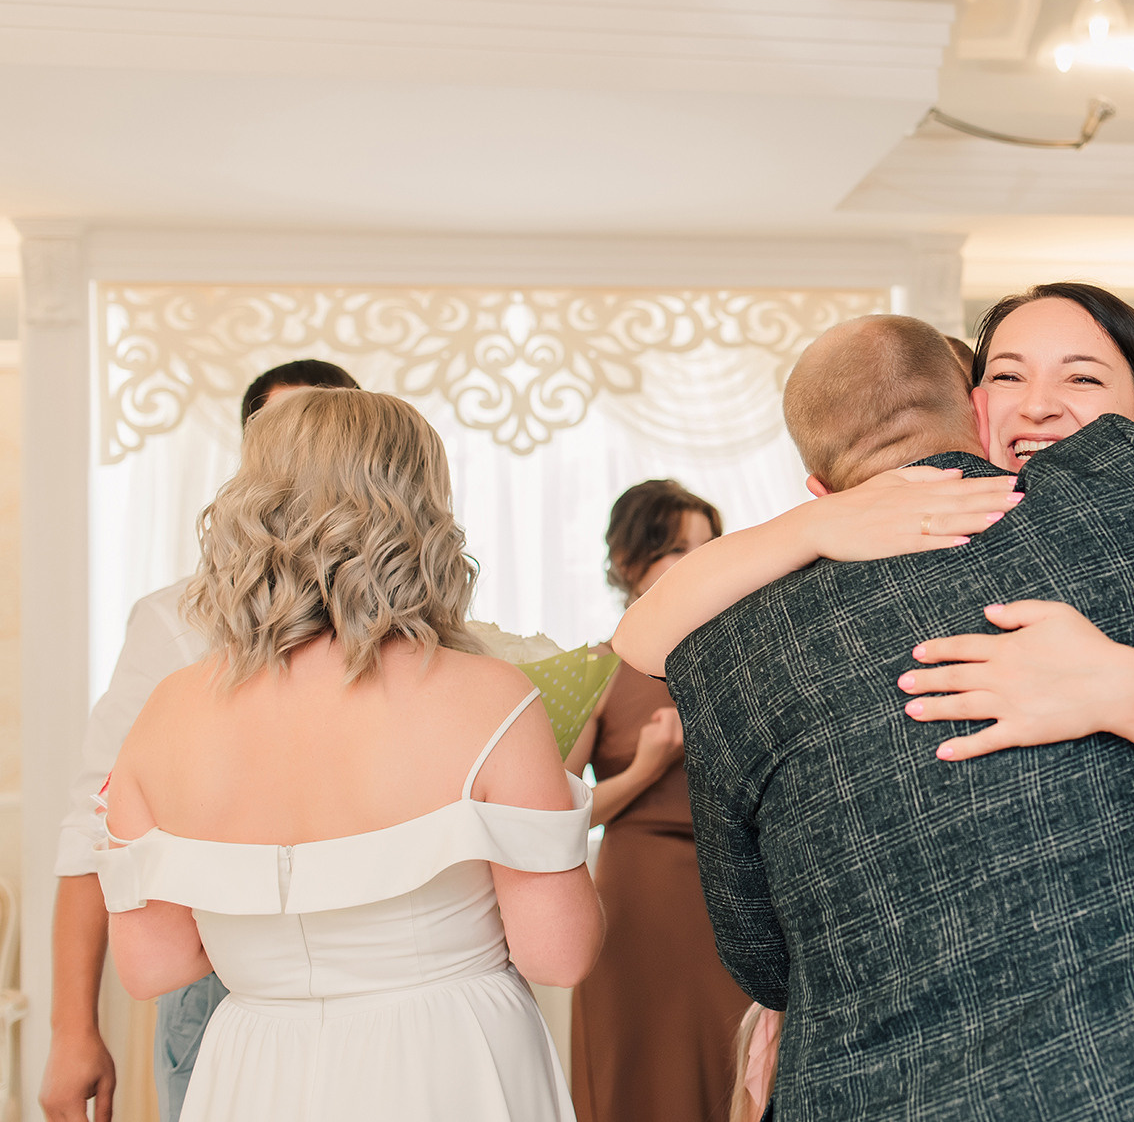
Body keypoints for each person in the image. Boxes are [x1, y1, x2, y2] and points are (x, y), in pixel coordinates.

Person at [617, 314, 1134, 1120]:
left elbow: (763, 956)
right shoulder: (1131, 503)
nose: (1037, 408)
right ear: (974, 405)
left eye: (1081, 377)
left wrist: (1115, 680)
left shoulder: (730, 649)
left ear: (819, 485)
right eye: (1009, 376)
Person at [95, 389, 602, 1122]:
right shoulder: (489, 696)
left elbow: (154, 964)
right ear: (420, 514)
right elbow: (560, 954)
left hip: (254, 1064)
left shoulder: (168, 710)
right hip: (447, 1060)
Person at [43, 358, 359, 1122]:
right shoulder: (175, 622)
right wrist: (71, 1029)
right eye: (285, 440)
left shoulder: (408, 627)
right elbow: (96, 822)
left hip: (373, 984)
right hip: (217, 988)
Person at [567, 479, 749, 1122]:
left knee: (738, 1069)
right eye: (676, 549)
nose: (696, 563)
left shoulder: (742, 663)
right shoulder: (594, 668)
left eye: (707, 547)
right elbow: (560, 815)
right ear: (627, 562)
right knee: (639, 1067)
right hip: (638, 896)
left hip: (738, 894)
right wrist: (646, 769)